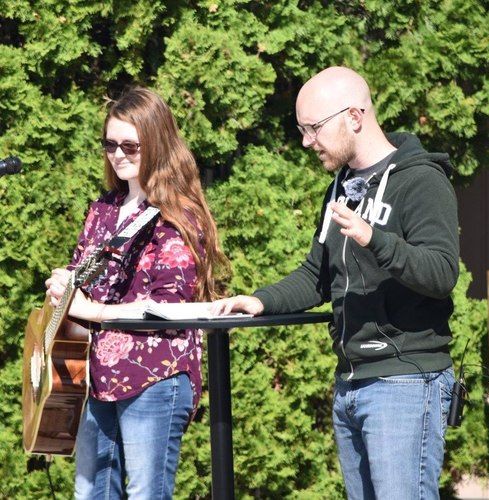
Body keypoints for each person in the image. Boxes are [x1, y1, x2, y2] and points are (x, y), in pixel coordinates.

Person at [211, 66, 459, 499]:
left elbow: (441, 273)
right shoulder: (341, 187)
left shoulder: (421, 180)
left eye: (314, 128)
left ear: (354, 117)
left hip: (405, 382)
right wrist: (260, 301)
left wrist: (374, 238)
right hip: (350, 383)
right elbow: (317, 275)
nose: (307, 141)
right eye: (302, 130)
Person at [46, 87, 226, 499]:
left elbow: (169, 305)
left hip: (155, 375)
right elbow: (83, 274)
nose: (117, 154)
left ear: (157, 143)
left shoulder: (178, 215)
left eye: (130, 145)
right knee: (90, 495)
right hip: (94, 376)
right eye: (110, 144)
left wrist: (91, 310)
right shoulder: (104, 209)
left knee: (147, 494)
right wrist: (64, 284)